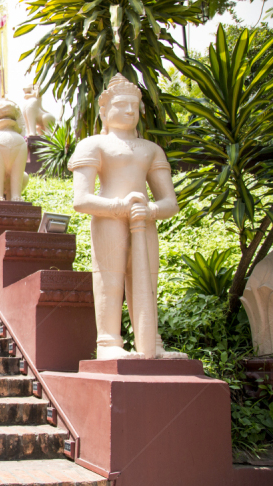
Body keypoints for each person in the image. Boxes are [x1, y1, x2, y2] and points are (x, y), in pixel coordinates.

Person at [68, 73, 180, 359]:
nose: (130, 110)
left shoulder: (152, 150)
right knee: (110, 278)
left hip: (144, 220)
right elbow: (81, 199)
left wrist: (150, 210)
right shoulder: (94, 145)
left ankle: (151, 343)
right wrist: (120, 207)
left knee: (147, 278)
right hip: (109, 220)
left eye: (134, 105)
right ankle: (108, 343)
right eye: (121, 105)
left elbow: (170, 203)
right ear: (104, 111)